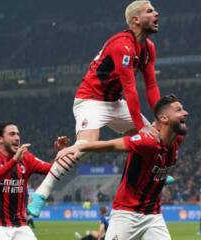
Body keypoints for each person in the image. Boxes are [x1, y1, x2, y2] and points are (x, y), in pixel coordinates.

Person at [28, 0, 162, 217]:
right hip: (91, 99)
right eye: (150, 11)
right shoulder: (122, 45)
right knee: (85, 146)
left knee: (157, 138)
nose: (156, 13)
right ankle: (41, 193)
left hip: (115, 102)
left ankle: (147, 175)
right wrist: (140, 127)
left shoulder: (149, 48)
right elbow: (130, 89)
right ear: (135, 20)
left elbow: (151, 85)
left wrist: (159, 117)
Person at [57, 94, 188, 240]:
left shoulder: (177, 139)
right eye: (179, 110)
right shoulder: (147, 142)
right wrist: (78, 147)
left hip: (153, 215)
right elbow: (111, 145)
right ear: (164, 118)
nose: (185, 113)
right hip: (127, 214)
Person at [0, 121, 72, 240]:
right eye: (12, 134)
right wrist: (14, 160)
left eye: (18, 134)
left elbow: (53, 171)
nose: (17, 138)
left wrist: (61, 153)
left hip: (20, 224)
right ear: (0, 138)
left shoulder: (26, 157)